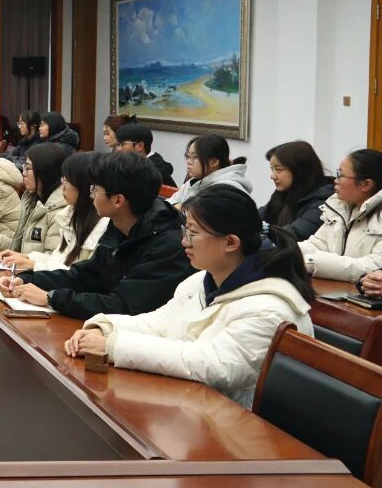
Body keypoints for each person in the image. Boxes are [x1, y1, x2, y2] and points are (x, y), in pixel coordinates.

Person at [64, 185, 315, 409]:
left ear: (230, 242)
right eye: (185, 230)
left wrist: (113, 346)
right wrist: (106, 327)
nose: (184, 241)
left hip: (242, 431)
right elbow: (160, 323)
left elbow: (213, 365)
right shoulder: (203, 279)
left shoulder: (269, 308)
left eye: (193, 233)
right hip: (199, 409)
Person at [0, 151, 194, 320]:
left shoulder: (168, 245)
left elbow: (123, 306)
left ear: (118, 200)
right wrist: (28, 279)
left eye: (95, 189)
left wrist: (52, 298)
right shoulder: (121, 224)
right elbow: (86, 275)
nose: (91, 195)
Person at [298, 149, 382, 282]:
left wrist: (311, 262)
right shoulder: (340, 207)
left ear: (366, 184)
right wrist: (285, 250)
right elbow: (318, 244)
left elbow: (373, 266)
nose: (335, 181)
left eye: (340, 175)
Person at [0, 142, 68, 259]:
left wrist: (24, 260)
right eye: (24, 167)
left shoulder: (59, 212)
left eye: (28, 168)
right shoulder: (32, 201)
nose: (23, 173)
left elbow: (53, 260)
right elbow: (20, 248)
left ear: (44, 171)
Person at [29, 152, 110, 271]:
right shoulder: (70, 215)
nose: (62, 186)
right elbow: (58, 260)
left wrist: (33, 264)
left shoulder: (104, 227)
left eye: (67, 180)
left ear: (83, 184)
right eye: (62, 179)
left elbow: (79, 276)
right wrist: (27, 258)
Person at [260, 140, 336, 241]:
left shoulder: (324, 200)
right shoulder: (282, 193)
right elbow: (253, 217)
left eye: (278, 170)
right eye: (272, 169)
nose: (272, 176)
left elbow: (295, 234)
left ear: (299, 170)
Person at [168, 135, 251, 207]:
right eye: (188, 156)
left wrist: (179, 208)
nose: (188, 161)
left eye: (194, 157)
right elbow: (170, 202)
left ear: (214, 162)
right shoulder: (193, 182)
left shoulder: (226, 190)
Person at [113, 120, 176, 187]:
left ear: (140, 146)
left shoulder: (153, 172)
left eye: (121, 144)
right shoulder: (132, 164)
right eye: (117, 145)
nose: (118, 149)